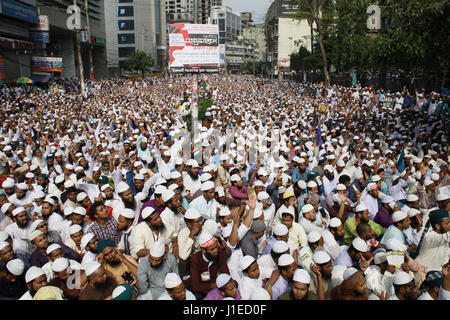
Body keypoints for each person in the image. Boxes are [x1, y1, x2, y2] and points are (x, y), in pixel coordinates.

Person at [189, 232, 230, 299]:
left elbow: (226, 273)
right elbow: (195, 286)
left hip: (219, 286)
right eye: (212, 249)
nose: (216, 250)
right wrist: (213, 285)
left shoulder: (219, 252)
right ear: (203, 250)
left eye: (216, 247)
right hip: (203, 290)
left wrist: (219, 284)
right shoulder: (195, 259)